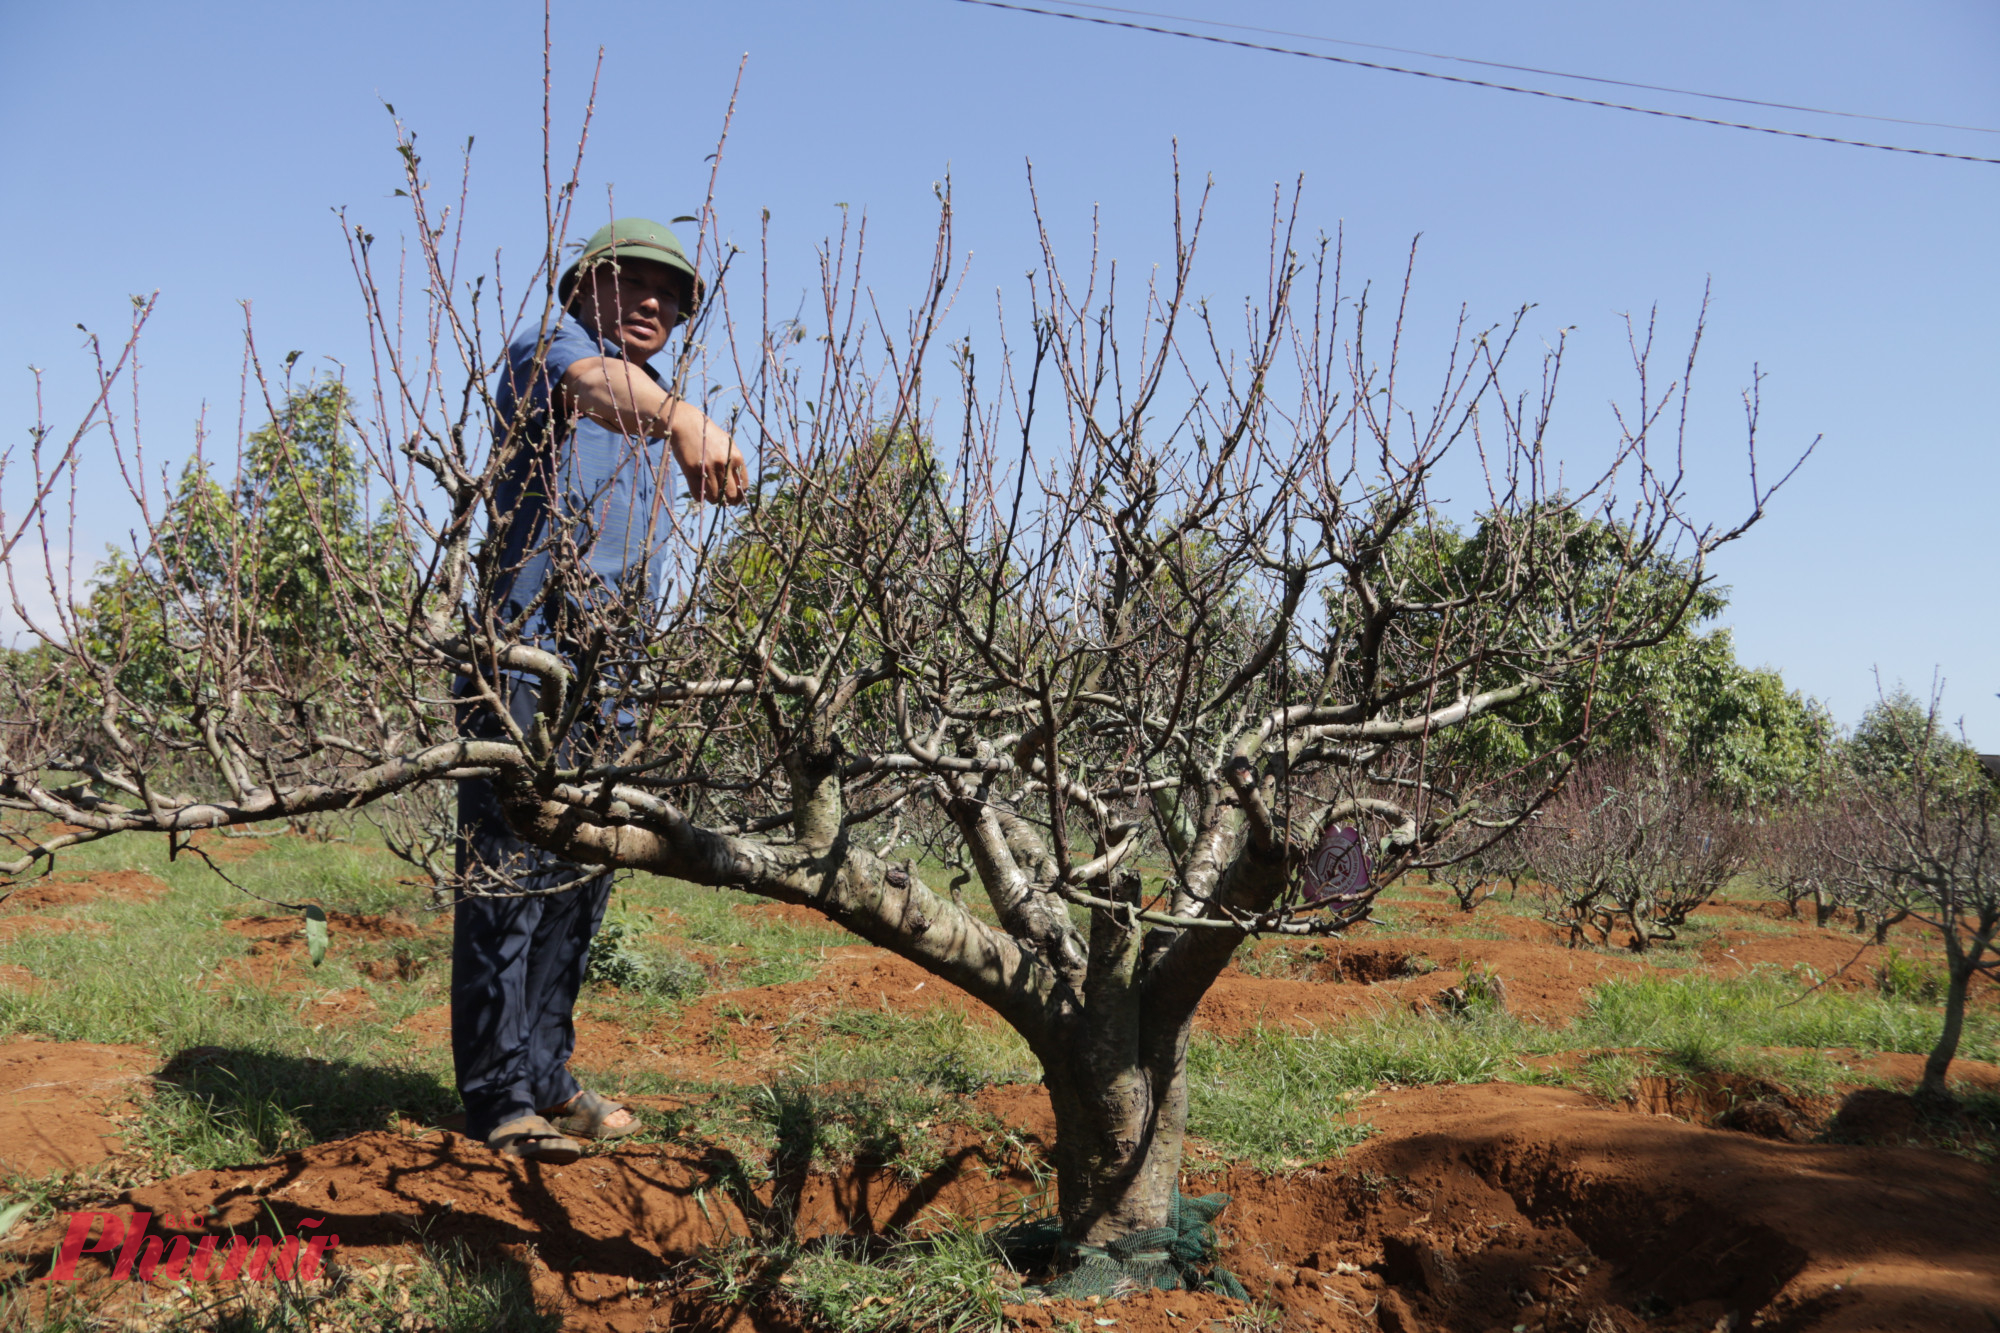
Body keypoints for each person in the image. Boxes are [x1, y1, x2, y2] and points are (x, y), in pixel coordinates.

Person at [452, 217, 747, 1163]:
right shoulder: (555, 350)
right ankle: (501, 1095)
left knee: (581, 872)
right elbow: (594, 389)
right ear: (584, 286)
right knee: (507, 871)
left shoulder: (652, 396)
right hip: (522, 658)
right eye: (632, 282)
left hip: (608, 669)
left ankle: (549, 1074)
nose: (655, 303)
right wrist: (687, 419)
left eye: (673, 294)